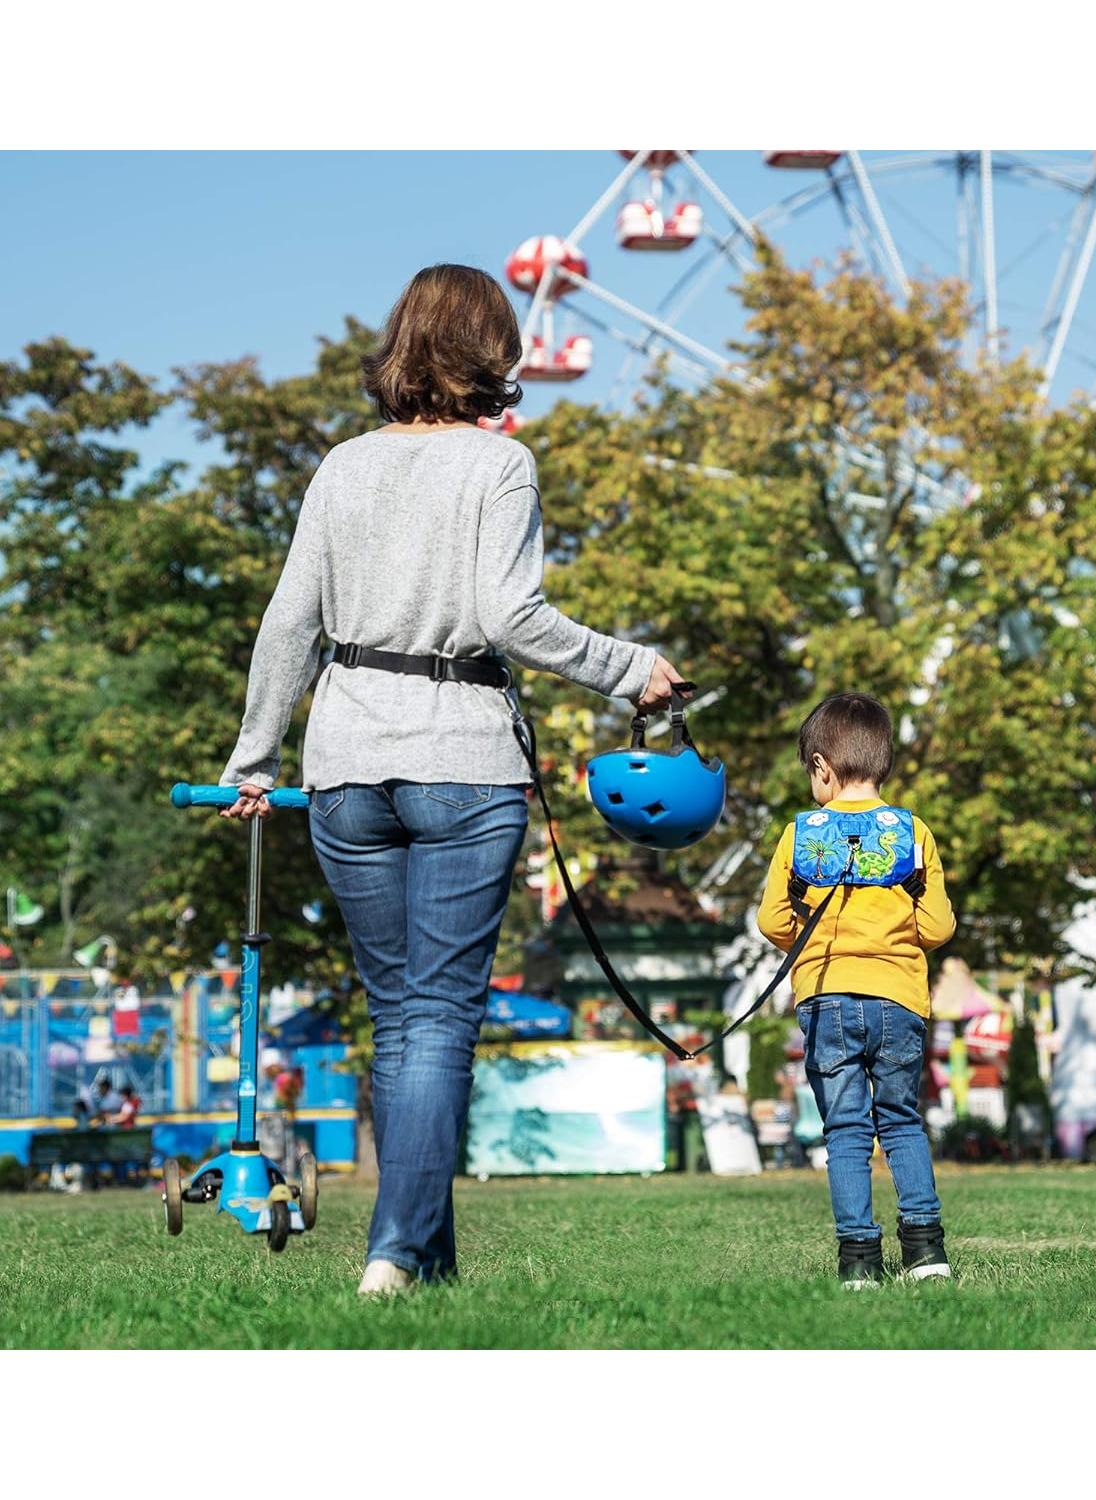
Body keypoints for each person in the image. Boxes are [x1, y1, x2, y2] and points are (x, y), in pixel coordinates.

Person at [216, 264, 687, 1295]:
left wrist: (253, 759)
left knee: (400, 1018)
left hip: (345, 767)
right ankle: (392, 1252)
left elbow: (290, 621)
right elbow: (511, 616)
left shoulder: (341, 466)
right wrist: (630, 668)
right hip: (462, 764)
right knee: (437, 1019)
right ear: (492, 353)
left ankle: (424, 1265)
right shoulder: (499, 464)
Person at [756, 692, 957, 1287]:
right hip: (898, 998)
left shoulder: (800, 834)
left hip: (826, 999)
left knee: (845, 1130)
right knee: (900, 1122)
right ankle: (926, 1253)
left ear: (821, 767)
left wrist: (807, 939)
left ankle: (859, 1262)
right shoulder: (912, 832)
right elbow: (937, 928)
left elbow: (772, 920)